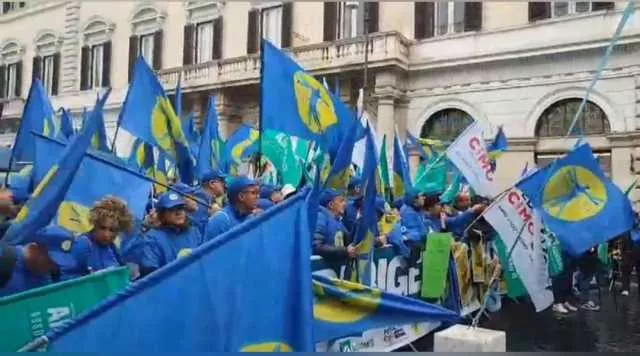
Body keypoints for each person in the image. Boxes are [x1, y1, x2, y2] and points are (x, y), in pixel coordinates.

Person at [0, 225, 77, 297]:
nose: (51, 268)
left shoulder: (48, 279)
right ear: (34, 248)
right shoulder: (4, 258)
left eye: (56, 265)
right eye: (49, 261)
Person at [139, 192, 203, 276]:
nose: (178, 212)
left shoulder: (193, 231)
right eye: (172, 209)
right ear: (162, 214)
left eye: (181, 208)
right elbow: (152, 277)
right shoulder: (151, 239)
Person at [70, 197, 133, 277]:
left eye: (112, 230)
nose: (106, 234)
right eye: (102, 228)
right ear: (95, 224)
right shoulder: (82, 244)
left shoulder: (113, 249)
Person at [204, 176, 259, 242]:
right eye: (253, 193)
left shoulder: (251, 218)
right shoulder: (220, 220)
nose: (257, 197)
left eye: (258, 193)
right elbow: (209, 251)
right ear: (241, 196)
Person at [313, 189, 355, 269]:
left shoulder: (337, 221)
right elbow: (316, 247)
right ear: (331, 204)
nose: (344, 204)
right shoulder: (320, 217)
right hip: (322, 273)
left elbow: (350, 240)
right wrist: (345, 252)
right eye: (341, 201)